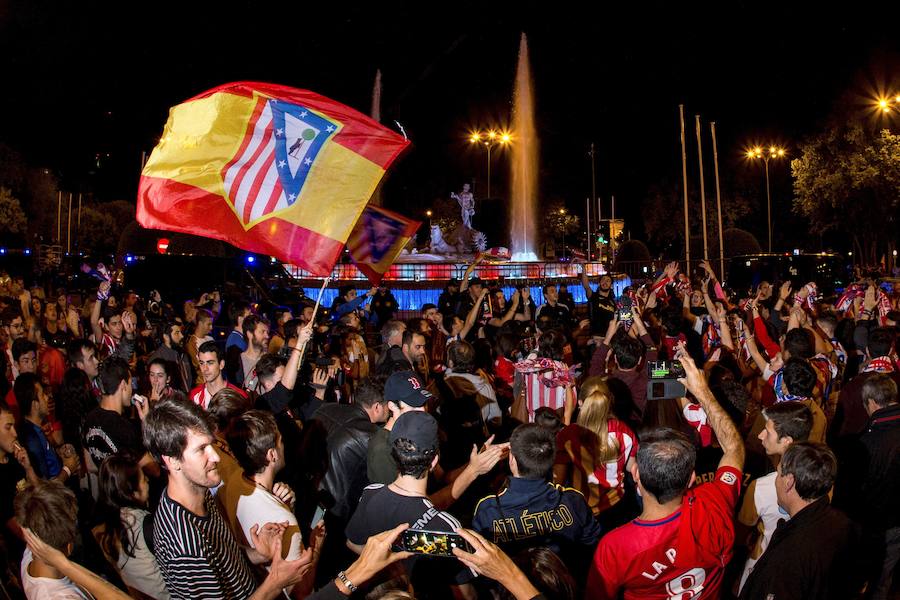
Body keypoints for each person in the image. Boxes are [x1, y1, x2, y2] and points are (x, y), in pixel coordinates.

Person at [586, 343, 745, 599]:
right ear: (692, 479)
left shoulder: (615, 547)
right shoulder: (714, 504)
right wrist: (702, 391)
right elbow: (734, 448)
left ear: (635, 475)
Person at [142, 397, 312, 600]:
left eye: (211, 444)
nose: (215, 456)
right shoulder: (185, 546)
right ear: (172, 461)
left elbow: (221, 559)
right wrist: (275, 583)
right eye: (201, 449)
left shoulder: (200, 494)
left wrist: (257, 555)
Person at [346, 411, 472, 595]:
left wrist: (391, 566)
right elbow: (466, 594)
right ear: (434, 460)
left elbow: (352, 542)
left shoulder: (370, 494)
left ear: (394, 455)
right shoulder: (446, 527)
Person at [740, 442, 861, 599]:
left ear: (789, 482)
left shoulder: (789, 555)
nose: (776, 481)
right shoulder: (844, 524)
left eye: (778, 474)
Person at [220, 410, 321, 599]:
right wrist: (316, 548)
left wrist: (283, 504)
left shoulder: (235, 481)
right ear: (272, 454)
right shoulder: (284, 522)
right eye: (281, 441)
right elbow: (300, 592)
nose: (284, 446)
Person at [473, 423, 600, 558]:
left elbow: (480, 560)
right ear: (552, 460)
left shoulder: (488, 508)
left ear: (512, 460)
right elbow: (592, 547)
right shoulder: (574, 501)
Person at [835, 373, 900, 599]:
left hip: (871, 525)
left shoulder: (866, 445)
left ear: (871, 403)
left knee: (860, 581)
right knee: (883, 580)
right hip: (895, 527)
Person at [737, 401, 813, 592]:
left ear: (787, 440)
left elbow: (741, 532)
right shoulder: (822, 482)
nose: (761, 435)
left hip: (761, 570)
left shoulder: (762, 487)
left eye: (768, 431)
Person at [554, 377, 637, 529]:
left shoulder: (568, 435)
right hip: (617, 506)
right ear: (609, 403)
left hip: (582, 510)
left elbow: (557, 481)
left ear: (580, 403)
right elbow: (632, 468)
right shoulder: (624, 431)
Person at [93, 454, 170, 599]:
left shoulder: (106, 527)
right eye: (142, 479)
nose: (147, 480)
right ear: (132, 492)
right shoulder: (146, 525)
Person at [83, 356, 158, 477]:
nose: (131, 389)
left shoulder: (89, 418)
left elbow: (90, 465)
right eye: (130, 383)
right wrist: (147, 423)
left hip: (106, 493)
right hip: (127, 493)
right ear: (123, 384)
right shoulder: (123, 427)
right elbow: (153, 469)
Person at [16, 373, 80, 481]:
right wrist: (68, 469)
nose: (47, 397)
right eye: (42, 395)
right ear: (34, 404)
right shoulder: (31, 438)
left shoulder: (37, 429)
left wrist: (59, 455)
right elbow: (44, 488)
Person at [189, 340, 246, 410]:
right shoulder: (194, 396)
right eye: (201, 363)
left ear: (221, 364)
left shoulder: (238, 395)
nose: (205, 368)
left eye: (210, 363)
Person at [149, 322, 192, 394]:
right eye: (177, 333)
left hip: (186, 399)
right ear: (166, 337)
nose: (182, 336)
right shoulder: (157, 358)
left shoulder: (182, 354)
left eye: (181, 332)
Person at [581, 270, 616, 336]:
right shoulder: (593, 296)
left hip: (609, 337)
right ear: (599, 283)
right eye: (603, 280)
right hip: (596, 336)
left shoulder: (613, 303)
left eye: (608, 281)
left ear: (611, 286)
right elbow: (586, 285)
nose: (605, 282)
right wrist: (583, 267)